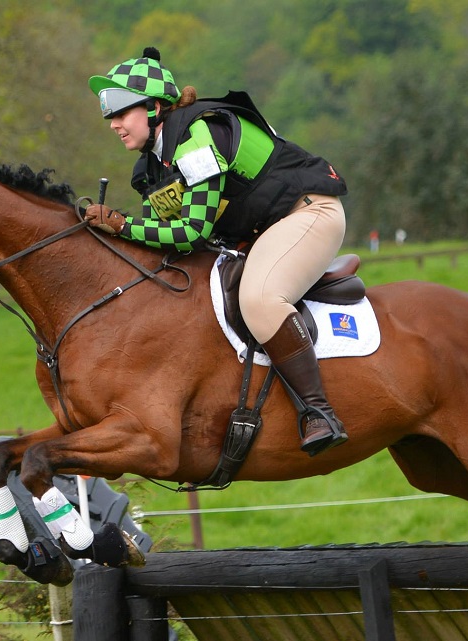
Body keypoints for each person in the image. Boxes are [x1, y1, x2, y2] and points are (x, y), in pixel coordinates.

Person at [85, 47, 349, 456]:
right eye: (109, 116)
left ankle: (318, 412)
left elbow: (191, 232)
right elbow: (160, 239)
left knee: (259, 298)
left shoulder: (197, 137)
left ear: (155, 107)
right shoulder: (149, 169)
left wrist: (121, 224)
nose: (114, 124)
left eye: (122, 111)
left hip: (308, 212)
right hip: (262, 233)